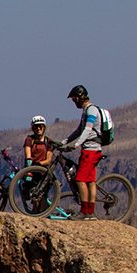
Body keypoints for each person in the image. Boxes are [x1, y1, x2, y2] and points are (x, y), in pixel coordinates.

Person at [49, 85, 111, 220]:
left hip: (91, 150)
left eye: (74, 99)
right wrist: (64, 142)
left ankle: (84, 212)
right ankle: (90, 213)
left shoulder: (91, 111)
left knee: (80, 180)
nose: (74, 102)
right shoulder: (87, 111)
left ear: (79, 97)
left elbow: (87, 130)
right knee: (90, 181)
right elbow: (78, 130)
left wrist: (76, 145)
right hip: (92, 150)